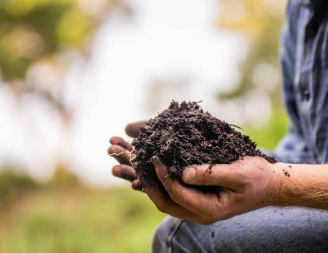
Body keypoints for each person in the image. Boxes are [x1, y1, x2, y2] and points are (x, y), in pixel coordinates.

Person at [108, 0, 328, 252]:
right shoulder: (301, 9)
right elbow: (305, 151)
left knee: (183, 237)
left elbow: (280, 178)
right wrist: (230, 164)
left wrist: (275, 183)